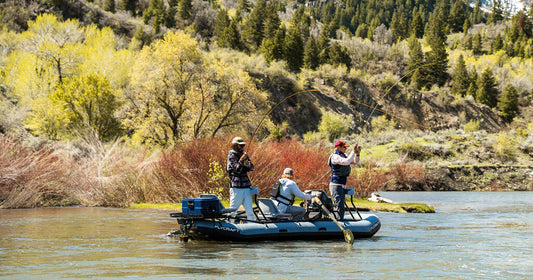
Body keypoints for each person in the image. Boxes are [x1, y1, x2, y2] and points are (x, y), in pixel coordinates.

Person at [328, 140, 361, 220]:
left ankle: (340, 220)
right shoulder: (335, 157)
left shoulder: (344, 155)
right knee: (339, 206)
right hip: (336, 185)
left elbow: (355, 162)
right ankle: (338, 222)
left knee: (341, 206)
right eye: (344, 147)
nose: (346, 149)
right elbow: (347, 162)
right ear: (338, 147)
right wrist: (353, 151)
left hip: (342, 185)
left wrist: (357, 153)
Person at [226, 136, 255, 220]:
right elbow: (237, 170)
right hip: (236, 188)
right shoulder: (231, 156)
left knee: (250, 211)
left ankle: (252, 226)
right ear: (235, 146)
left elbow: (252, 168)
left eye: (243, 145)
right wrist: (241, 161)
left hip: (246, 188)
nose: (242, 147)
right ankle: (229, 225)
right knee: (233, 211)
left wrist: (246, 163)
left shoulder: (244, 155)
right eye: (240, 145)